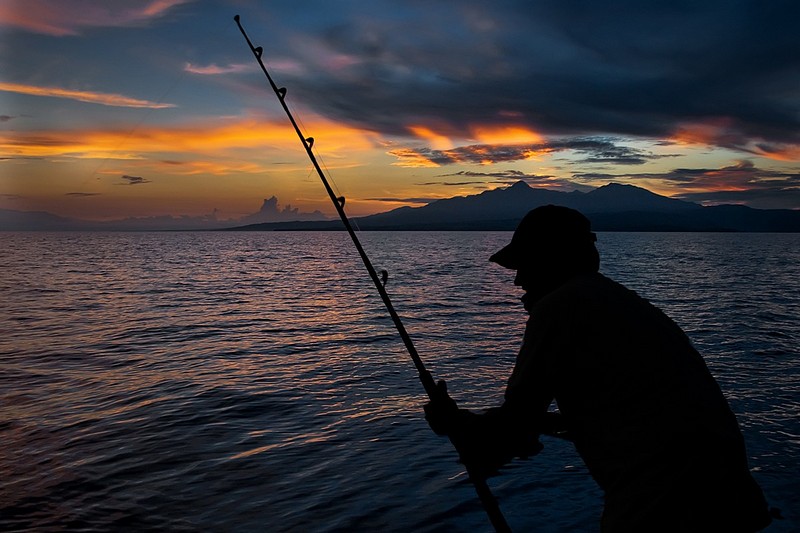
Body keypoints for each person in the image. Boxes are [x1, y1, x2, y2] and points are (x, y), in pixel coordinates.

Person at [425, 205, 772, 532]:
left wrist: (455, 423)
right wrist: (528, 425)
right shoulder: (623, 304)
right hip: (733, 499)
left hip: (667, 507)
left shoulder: (560, 307)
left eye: (524, 265)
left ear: (550, 261)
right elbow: (631, 411)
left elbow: (516, 432)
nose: (518, 281)